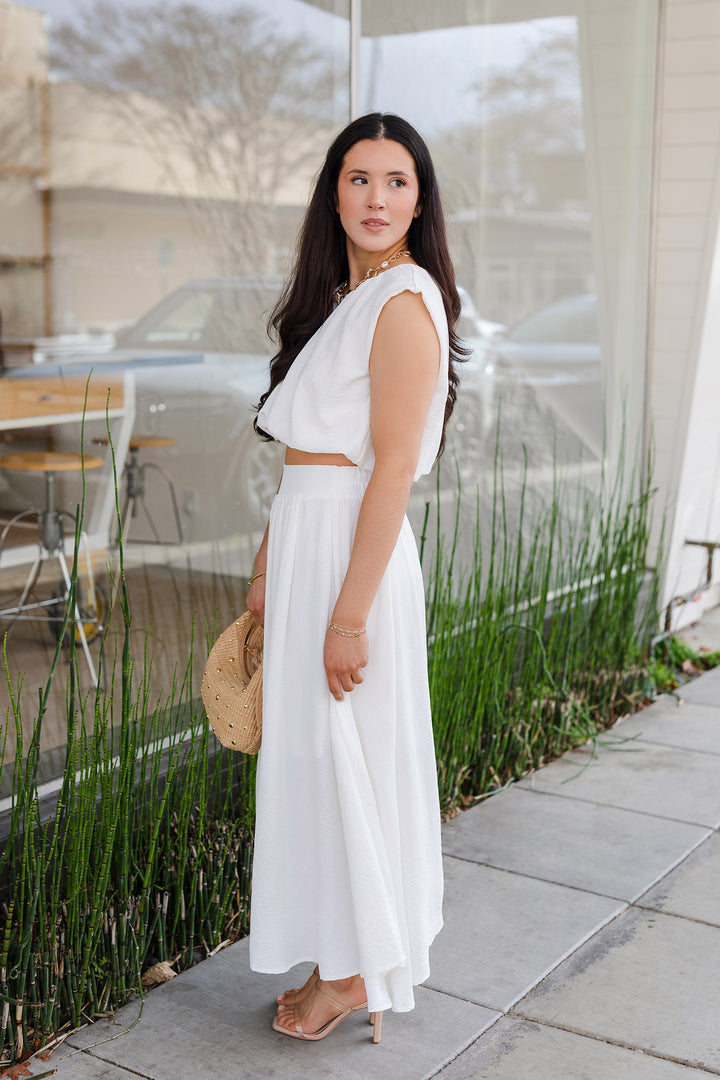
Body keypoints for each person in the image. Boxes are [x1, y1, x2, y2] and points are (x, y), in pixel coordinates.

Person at [246, 112, 466, 1044]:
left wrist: (347, 615)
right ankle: (342, 952)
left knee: (348, 754)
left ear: (421, 199)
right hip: (308, 539)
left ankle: (349, 975)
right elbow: (306, 458)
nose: (377, 199)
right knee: (312, 753)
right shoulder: (346, 295)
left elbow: (389, 471)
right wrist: (267, 564)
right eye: (359, 179)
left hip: (351, 557)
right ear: (333, 193)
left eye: (397, 181)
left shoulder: (406, 301)